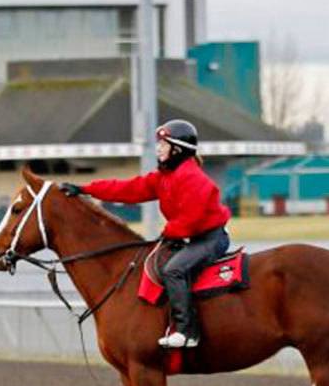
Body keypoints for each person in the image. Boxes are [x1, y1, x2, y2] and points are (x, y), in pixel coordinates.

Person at [59, 120, 230, 349]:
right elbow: (127, 189)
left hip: (210, 239)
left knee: (174, 270)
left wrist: (168, 233)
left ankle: (187, 332)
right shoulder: (165, 177)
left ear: (177, 150)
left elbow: (191, 219)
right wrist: (86, 189)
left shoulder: (192, 178)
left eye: (163, 144)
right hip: (189, 238)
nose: (158, 148)